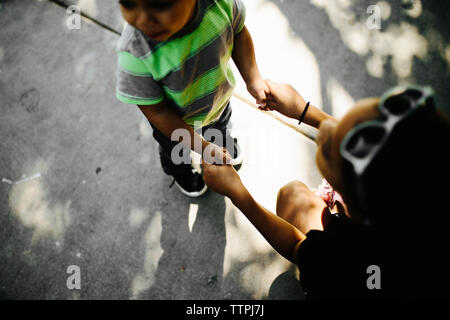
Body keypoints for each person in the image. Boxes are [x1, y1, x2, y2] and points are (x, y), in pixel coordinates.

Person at [202, 81, 450, 299]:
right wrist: (305, 111)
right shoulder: (429, 184)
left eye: (329, 154)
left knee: (292, 197)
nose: (327, 132)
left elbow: (295, 248)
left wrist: (237, 193)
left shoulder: (341, 259)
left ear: (350, 207)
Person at [115, 0, 270, 197]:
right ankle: (182, 173)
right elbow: (157, 112)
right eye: (128, 3)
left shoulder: (220, 4)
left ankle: (222, 145)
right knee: (176, 154)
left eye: (160, 4)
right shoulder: (135, 51)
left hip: (218, 102)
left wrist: (253, 78)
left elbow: (238, 32)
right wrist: (202, 147)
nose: (144, 19)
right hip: (174, 124)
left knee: (221, 129)